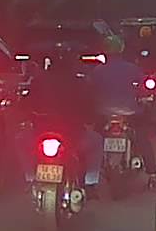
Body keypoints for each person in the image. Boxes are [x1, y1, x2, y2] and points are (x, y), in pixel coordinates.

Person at [19, 53, 103, 191]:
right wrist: (90, 119)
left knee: (21, 141)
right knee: (97, 141)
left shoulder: (38, 81)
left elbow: (26, 104)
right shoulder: (79, 83)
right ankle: (90, 183)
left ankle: (30, 178)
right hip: (73, 134)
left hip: (40, 132)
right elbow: (88, 107)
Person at [88, 38, 156, 185]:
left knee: (93, 141)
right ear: (121, 50)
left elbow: (90, 91)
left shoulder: (97, 71)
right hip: (130, 112)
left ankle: (89, 180)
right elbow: (143, 89)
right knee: (142, 139)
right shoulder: (132, 69)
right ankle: (152, 175)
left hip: (103, 113)